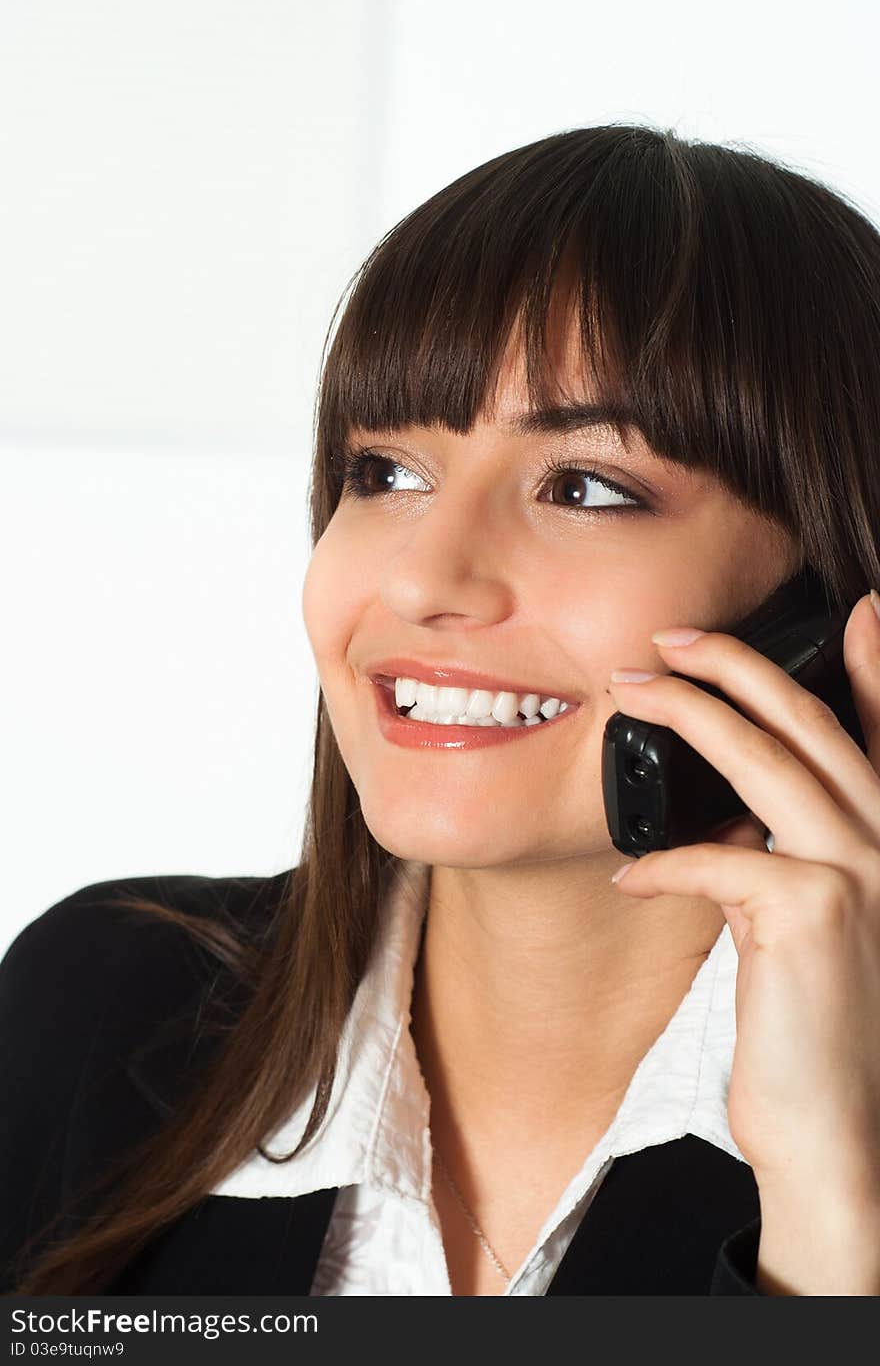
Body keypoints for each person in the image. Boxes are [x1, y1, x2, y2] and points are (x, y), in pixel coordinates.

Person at [3, 122, 880, 1298]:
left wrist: (834, 1218)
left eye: (583, 486)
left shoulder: (853, 1151)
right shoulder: (106, 997)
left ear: (825, 614)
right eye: (386, 474)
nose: (421, 578)